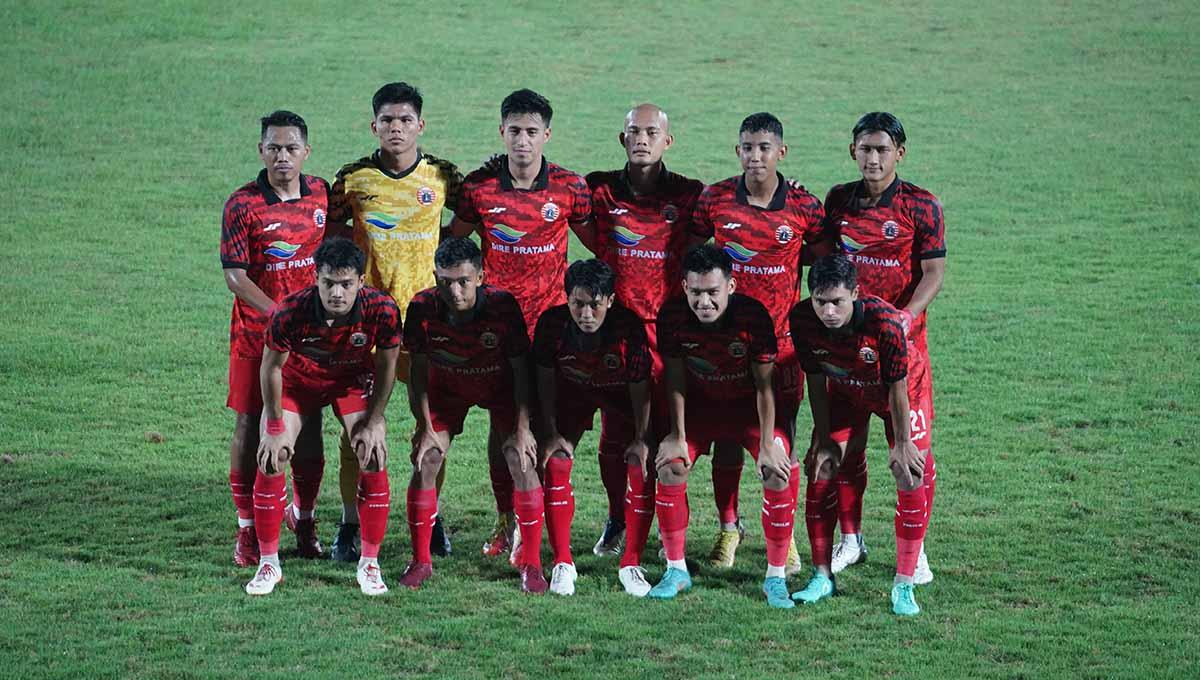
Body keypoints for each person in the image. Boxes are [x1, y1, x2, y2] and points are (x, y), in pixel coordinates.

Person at [449, 89, 592, 559]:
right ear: (501, 133)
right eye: (515, 131)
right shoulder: (480, 189)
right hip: (496, 330)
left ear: (547, 134)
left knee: (548, 425)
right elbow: (452, 244)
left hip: (552, 331)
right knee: (501, 426)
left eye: (532, 132)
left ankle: (543, 525)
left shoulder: (570, 188)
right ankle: (507, 520)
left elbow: (601, 242)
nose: (523, 141)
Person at [326, 81, 463, 562]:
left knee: (433, 426)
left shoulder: (443, 177)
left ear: (420, 125)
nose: (396, 128)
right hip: (366, 326)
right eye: (387, 120)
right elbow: (333, 241)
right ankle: (348, 523)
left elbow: (466, 225)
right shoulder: (352, 180)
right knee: (356, 428)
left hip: (428, 324)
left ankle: (432, 515)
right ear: (374, 126)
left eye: (405, 120)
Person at [693, 112, 826, 570]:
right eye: (747, 147)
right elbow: (693, 256)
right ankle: (729, 530)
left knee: (779, 442)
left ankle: (783, 536)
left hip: (783, 351)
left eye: (764, 148)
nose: (755, 156)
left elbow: (821, 258)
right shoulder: (715, 200)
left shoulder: (805, 207)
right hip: (724, 349)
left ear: (781, 152)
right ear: (738, 150)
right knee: (728, 438)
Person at [820, 112, 944, 582]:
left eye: (882, 150)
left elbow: (933, 274)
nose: (873, 158)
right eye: (865, 149)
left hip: (903, 358)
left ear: (900, 154)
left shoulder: (921, 206)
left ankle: (917, 550)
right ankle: (851, 541)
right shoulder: (837, 201)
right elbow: (821, 258)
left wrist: (903, 318)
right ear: (853, 151)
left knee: (912, 458)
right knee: (844, 454)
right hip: (846, 356)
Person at [244, 238, 401, 597]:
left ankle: (370, 564)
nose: (337, 293)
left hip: (349, 381)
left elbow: (388, 364)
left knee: (372, 452)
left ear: (361, 282)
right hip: (298, 384)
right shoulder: (290, 310)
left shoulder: (383, 309)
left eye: (346, 284)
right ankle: (269, 563)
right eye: (329, 282)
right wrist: (272, 426)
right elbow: (270, 369)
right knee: (273, 455)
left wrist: (375, 420)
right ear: (316, 278)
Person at [583, 104, 706, 558]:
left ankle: (674, 529)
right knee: (617, 434)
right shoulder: (597, 190)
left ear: (667, 141)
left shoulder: (691, 194)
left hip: (671, 336)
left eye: (651, 132)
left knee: (670, 435)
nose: (641, 139)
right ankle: (619, 519)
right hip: (614, 335)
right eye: (633, 131)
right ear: (622, 138)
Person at [648, 245, 798, 609]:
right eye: (696, 292)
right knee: (670, 467)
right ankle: (676, 570)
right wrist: (678, 436)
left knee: (777, 472)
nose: (704, 302)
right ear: (683, 287)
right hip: (702, 409)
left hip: (748, 410)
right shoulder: (671, 316)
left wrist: (767, 443)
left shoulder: (753, 317)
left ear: (730, 286)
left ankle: (775, 577)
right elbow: (676, 380)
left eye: (712, 292)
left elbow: (765, 387)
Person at [789, 253, 933, 616]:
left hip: (903, 392)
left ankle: (904, 583)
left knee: (909, 470)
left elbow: (896, 386)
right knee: (823, 468)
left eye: (837, 301)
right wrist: (821, 438)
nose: (829, 311)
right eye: (821, 302)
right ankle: (822, 576)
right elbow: (816, 381)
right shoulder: (803, 320)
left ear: (855, 292)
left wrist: (902, 444)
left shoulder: (883, 322)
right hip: (847, 387)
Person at [401, 238, 544, 593]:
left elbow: (521, 368)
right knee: (427, 459)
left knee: (521, 459)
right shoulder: (421, 307)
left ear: (480, 276)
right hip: (446, 389)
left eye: (463, 281)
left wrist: (524, 428)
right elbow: (417, 371)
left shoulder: (502, 306)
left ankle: (532, 564)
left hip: (500, 388)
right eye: (445, 281)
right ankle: (420, 560)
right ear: (435, 277)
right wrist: (424, 426)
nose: (455, 290)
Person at [220, 110, 329, 567]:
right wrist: (282, 313)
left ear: (306, 150)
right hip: (255, 336)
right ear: (260, 150)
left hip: (313, 339)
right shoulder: (242, 204)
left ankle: (303, 519)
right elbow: (235, 277)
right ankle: (246, 529)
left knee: (310, 425)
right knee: (250, 423)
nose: (282, 156)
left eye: (290, 148)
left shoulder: (323, 193)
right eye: (273, 147)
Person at [532, 259, 654, 596]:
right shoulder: (551, 325)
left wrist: (643, 438)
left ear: (610, 301)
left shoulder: (628, 328)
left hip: (620, 396)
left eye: (594, 305)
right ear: (567, 298)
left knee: (638, 462)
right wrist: (552, 432)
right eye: (578, 304)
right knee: (555, 460)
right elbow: (544, 384)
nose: (586, 313)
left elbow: (641, 387)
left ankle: (631, 563)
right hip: (572, 395)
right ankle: (562, 562)